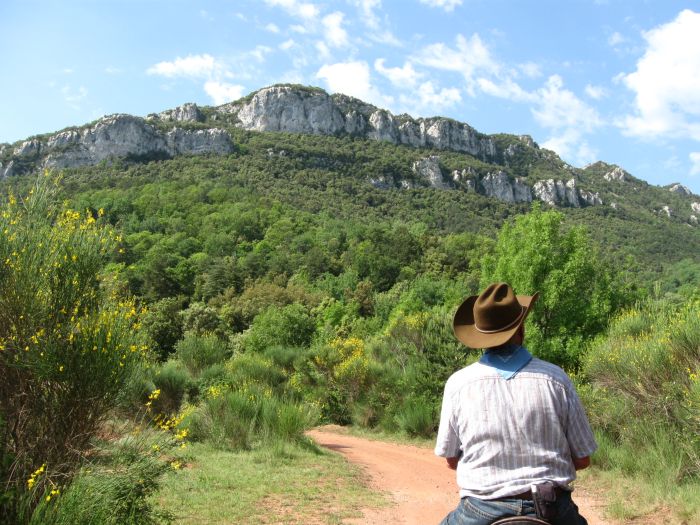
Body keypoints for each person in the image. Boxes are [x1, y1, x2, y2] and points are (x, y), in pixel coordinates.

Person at [435, 282, 597, 525]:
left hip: (481, 509)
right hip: (551, 508)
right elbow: (583, 458)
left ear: (480, 337)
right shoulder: (556, 379)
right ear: (520, 327)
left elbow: (450, 459)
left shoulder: (458, 384)